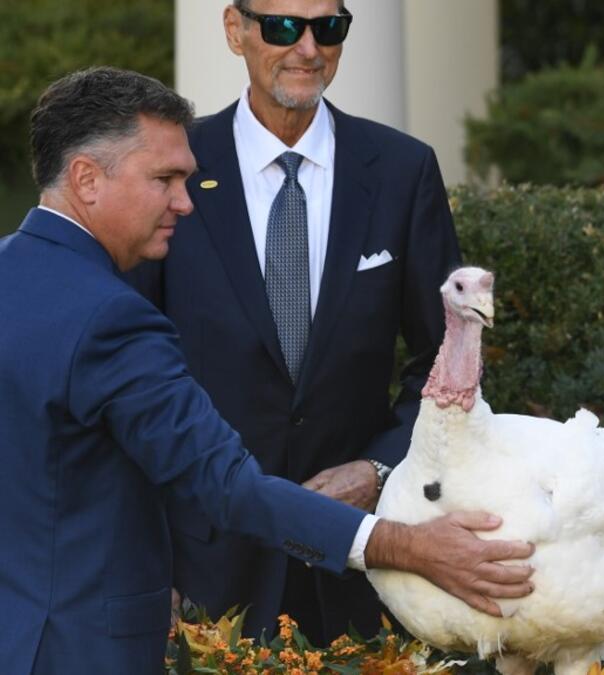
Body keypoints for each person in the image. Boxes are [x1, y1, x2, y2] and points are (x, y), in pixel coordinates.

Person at [0, 66, 533, 674]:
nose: (185, 199)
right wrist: (407, 546)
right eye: (166, 179)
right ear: (87, 179)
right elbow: (228, 488)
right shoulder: (111, 319)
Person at [126, 0, 463, 643]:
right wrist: (142, 559)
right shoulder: (173, 165)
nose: (309, 48)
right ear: (235, 30)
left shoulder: (401, 169)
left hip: (359, 565)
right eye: (284, 27)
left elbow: (448, 362)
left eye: (328, 27)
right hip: (202, 566)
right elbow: (126, 376)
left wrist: (379, 468)